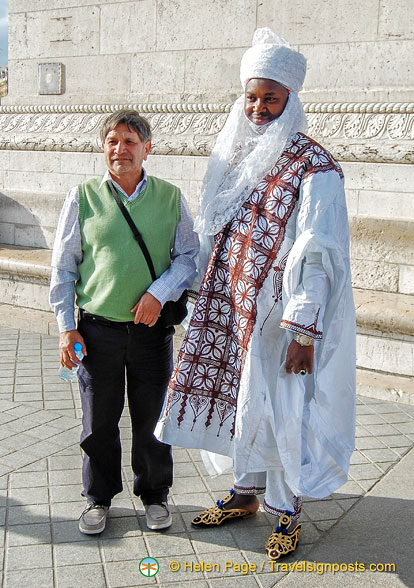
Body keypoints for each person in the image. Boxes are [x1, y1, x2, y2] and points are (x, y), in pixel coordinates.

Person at [158, 29, 356, 559]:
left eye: (270, 97)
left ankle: (286, 509)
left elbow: (319, 253)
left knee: (281, 407)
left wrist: (304, 331)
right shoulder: (233, 155)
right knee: (241, 402)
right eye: (251, 96)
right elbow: (211, 231)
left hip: (278, 320)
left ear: (290, 98)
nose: (259, 107)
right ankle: (244, 494)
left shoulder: (315, 167)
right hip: (227, 310)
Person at [49, 109, 199, 535]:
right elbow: (63, 268)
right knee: (98, 421)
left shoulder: (170, 197)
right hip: (97, 331)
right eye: (112, 141)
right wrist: (66, 325)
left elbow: (189, 257)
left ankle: (154, 495)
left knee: (152, 417)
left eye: (130, 141)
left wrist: (158, 292)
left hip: (152, 334)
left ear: (147, 149)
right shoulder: (82, 197)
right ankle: (98, 499)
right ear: (103, 147)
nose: (120, 149)